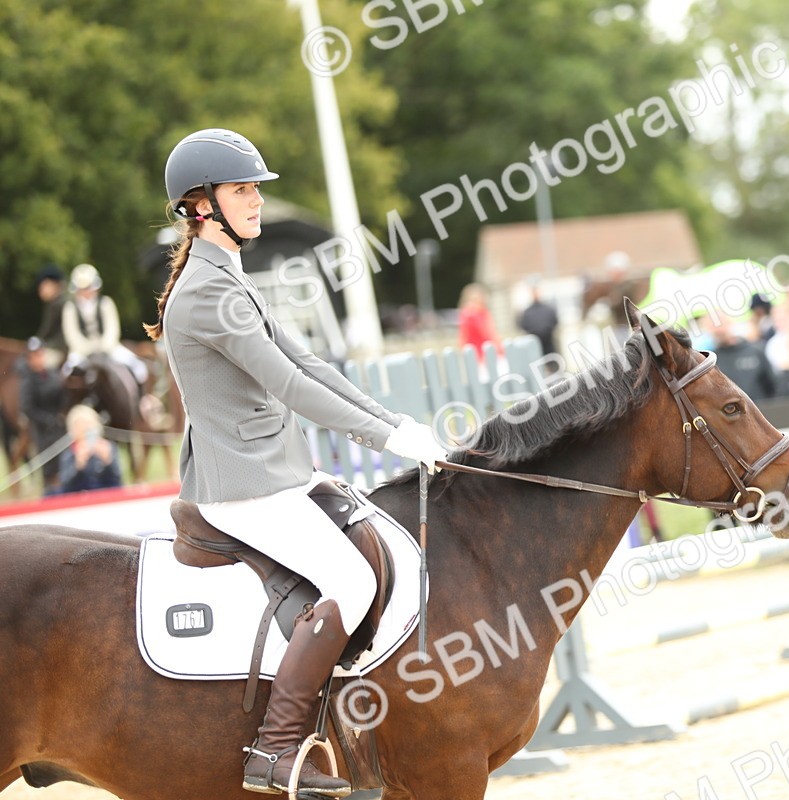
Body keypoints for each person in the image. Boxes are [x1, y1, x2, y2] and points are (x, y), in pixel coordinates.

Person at [150, 128, 447, 797]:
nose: (256, 200)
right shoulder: (206, 293)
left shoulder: (228, 276)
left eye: (255, 189)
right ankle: (277, 750)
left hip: (278, 469)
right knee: (351, 579)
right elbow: (289, 386)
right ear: (201, 204)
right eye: (243, 190)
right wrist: (385, 441)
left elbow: (308, 363)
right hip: (243, 483)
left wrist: (396, 423)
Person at [61, 263, 150, 386]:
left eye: (88, 288)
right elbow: (71, 334)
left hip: (109, 349)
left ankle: (140, 395)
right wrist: (88, 348)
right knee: (67, 373)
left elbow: (112, 330)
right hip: (81, 352)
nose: (86, 292)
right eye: (82, 289)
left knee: (137, 367)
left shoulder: (106, 303)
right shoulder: (70, 308)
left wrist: (103, 347)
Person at [19, 336, 67, 492]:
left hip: (60, 427)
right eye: (34, 356)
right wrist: (47, 420)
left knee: (65, 465)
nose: (38, 359)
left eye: (40, 354)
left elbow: (62, 395)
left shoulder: (54, 374)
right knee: (50, 471)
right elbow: (28, 408)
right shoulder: (28, 382)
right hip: (43, 431)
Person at [706, 314, 776, 403]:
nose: (718, 330)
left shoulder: (755, 351)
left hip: (761, 407)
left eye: (720, 324)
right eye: (713, 326)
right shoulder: (711, 361)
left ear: (730, 323)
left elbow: (772, 385)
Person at [57, 404, 122, 493]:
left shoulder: (108, 447)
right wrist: (79, 465)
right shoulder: (69, 453)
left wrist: (107, 461)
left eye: (88, 424)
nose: (85, 428)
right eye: (79, 425)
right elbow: (65, 485)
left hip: (106, 494)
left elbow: (117, 479)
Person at [458, 282, 504, 367]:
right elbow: (489, 333)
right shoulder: (479, 313)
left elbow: (462, 337)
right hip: (483, 354)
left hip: (476, 354)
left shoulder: (465, 314)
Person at [34, 264, 68, 369]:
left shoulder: (59, 304)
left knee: (38, 365)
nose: (41, 290)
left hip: (60, 348)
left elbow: (48, 331)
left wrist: (39, 343)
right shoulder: (56, 303)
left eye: (44, 286)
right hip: (57, 346)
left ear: (55, 285)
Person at [516, 283, 559, 359]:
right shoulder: (527, 312)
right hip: (534, 346)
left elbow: (554, 321)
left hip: (548, 344)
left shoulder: (547, 309)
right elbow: (523, 325)